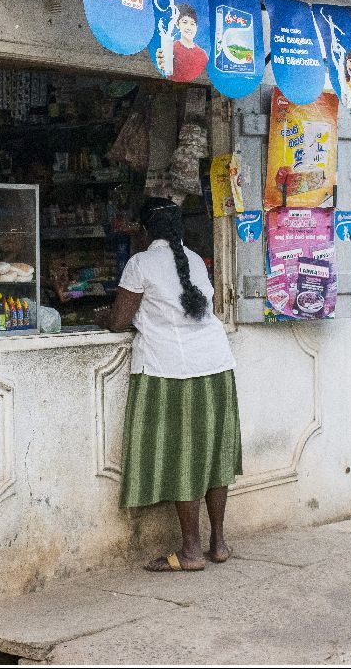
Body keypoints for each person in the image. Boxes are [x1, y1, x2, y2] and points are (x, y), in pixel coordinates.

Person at [97, 198, 241, 572]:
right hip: (217, 365)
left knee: (183, 457)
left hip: (173, 370)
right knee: (213, 454)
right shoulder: (194, 260)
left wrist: (103, 315)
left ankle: (191, 551)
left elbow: (118, 321)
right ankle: (219, 542)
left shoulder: (140, 263)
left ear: (144, 231)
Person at [154, 2, 209, 83]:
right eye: (184, 22)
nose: (189, 27)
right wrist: (161, 65)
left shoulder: (203, 54)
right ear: (177, 24)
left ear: (196, 27)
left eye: (192, 23)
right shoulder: (171, 48)